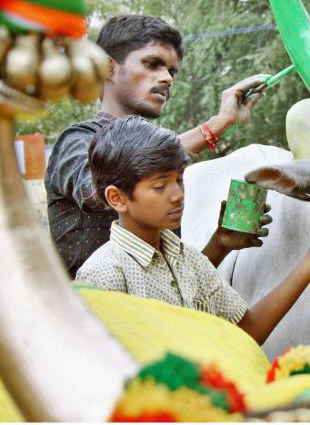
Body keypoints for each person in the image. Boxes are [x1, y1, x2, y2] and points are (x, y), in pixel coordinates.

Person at [76, 116, 310, 345]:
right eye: (159, 186)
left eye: (179, 180)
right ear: (117, 198)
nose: (177, 195)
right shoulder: (103, 276)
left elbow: (246, 332)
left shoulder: (189, 259)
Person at [45, 14, 268, 277]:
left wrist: (220, 243)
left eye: (172, 71)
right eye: (153, 64)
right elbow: (103, 186)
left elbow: (175, 288)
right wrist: (216, 124)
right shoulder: (77, 141)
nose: (167, 78)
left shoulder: (165, 168)